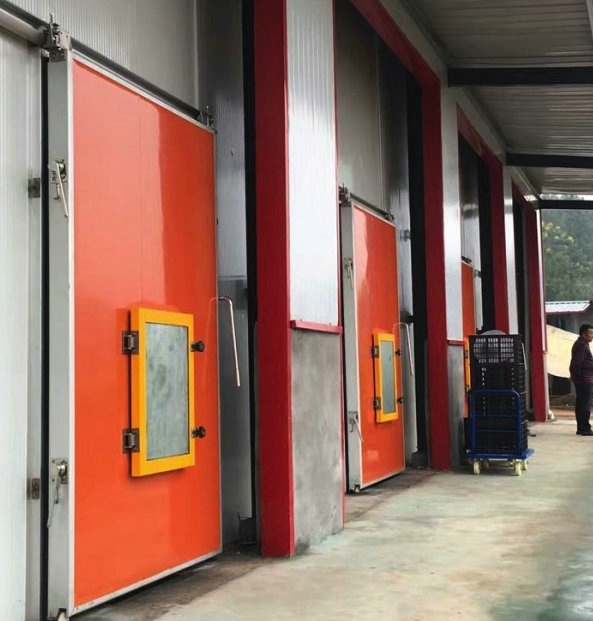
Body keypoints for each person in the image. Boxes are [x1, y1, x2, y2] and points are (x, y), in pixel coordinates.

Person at [569, 324, 593, 435]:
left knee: (582, 403)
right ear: (584, 334)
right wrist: (577, 377)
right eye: (590, 333)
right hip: (584, 380)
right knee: (585, 404)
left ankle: (581, 428)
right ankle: (584, 428)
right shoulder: (582, 346)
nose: (592, 336)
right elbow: (577, 363)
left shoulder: (582, 344)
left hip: (583, 379)